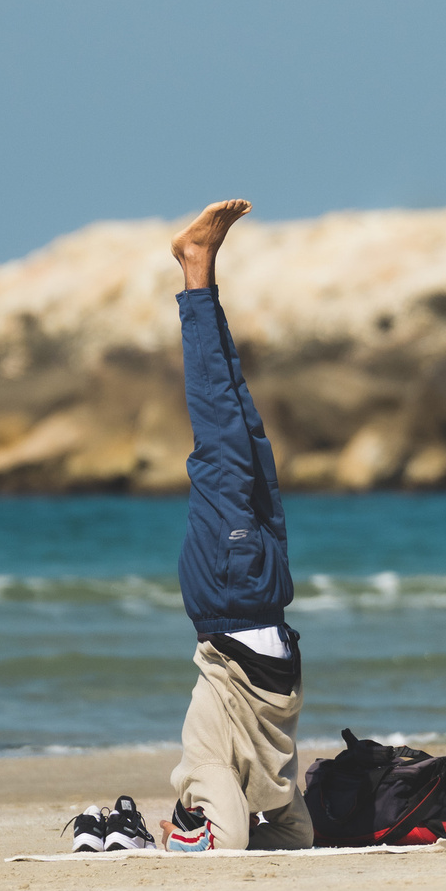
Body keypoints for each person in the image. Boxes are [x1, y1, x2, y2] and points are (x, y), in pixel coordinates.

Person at [115, 198, 316, 853]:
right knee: (245, 430)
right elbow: (292, 833)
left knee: (222, 432)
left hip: (230, 594)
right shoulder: (255, 782)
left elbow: (225, 843)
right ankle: (202, 274)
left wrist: (186, 830)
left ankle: (195, 269)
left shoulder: (204, 765)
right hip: (263, 599)